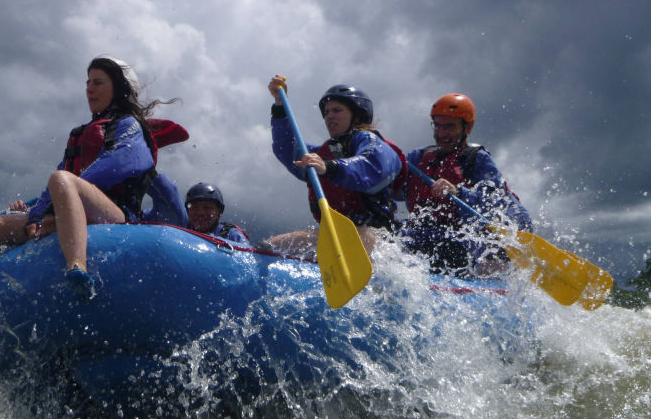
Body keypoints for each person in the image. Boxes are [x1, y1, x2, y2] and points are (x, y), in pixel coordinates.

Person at [0, 56, 170, 339]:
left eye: (98, 82)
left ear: (120, 89)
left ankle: (77, 268)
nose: (89, 89)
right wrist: (37, 216)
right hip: (72, 208)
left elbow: (122, 163)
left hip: (117, 216)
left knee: (62, 180)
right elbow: (60, 178)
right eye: (87, 83)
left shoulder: (130, 126)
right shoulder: (81, 133)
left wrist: (58, 210)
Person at [265, 76, 406, 255]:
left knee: (351, 236)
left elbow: (372, 167)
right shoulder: (323, 154)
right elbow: (286, 149)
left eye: (337, 110)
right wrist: (279, 106)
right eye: (327, 112)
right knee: (273, 245)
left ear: (357, 115)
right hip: (337, 236)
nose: (329, 116)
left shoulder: (370, 141)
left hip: (376, 239)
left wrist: (330, 168)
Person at [399, 92, 532, 274]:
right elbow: (392, 185)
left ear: (467, 128)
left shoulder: (477, 160)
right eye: (437, 126)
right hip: (425, 237)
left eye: (450, 127)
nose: (442, 133)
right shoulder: (418, 158)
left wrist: (459, 192)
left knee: (470, 253)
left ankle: (493, 280)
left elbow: (493, 201)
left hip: (464, 241)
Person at [184, 183, 251, 244]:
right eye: (195, 208)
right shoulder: (182, 231)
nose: (200, 213)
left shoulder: (232, 235)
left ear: (219, 212)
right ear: (187, 211)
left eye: (208, 207)